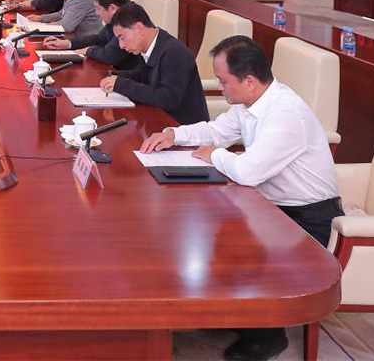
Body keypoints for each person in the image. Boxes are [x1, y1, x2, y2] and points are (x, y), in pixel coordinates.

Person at [140, 36, 342, 361]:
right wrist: (173, 134)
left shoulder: (285, 114)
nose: (220, 88)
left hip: (307, 219)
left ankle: (267, 336)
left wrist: (215, 155)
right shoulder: (249, 104)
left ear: (248, 80)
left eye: (223, 81)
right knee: (203, 227)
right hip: (271, 205)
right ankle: (235, 311)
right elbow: (216, 131)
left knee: (234, 242)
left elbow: (247, 171)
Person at [99, 2, 208, 125]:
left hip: (181, 126)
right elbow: (142, 77)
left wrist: (122, 84)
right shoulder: (147, 46)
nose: (121, 45)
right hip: (158, 119)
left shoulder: (174, 52)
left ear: (139, 28)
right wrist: (115, 76)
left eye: (122, 37)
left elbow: (168, 98)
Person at [41, 0, 139, 70]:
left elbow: (110, 55)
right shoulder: (117, 15)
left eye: (98, 8)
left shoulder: (128, 18)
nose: (97, 13)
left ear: (112, 8)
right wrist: (67, 43)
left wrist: (88, 50)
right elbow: (98, 39)